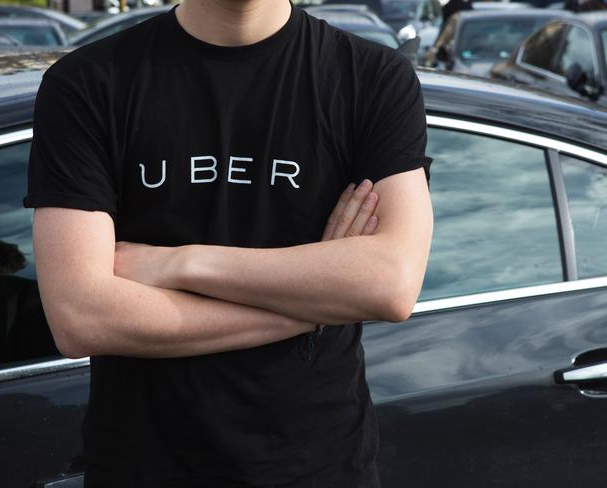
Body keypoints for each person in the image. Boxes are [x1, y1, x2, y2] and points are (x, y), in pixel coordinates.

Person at [22, 0, 433, 486]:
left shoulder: (372, 77)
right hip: (144, 469)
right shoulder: (89, 81)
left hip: (320, 469)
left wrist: (181, 264)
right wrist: (315, 307)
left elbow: (391, 284)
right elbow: (82, 318)